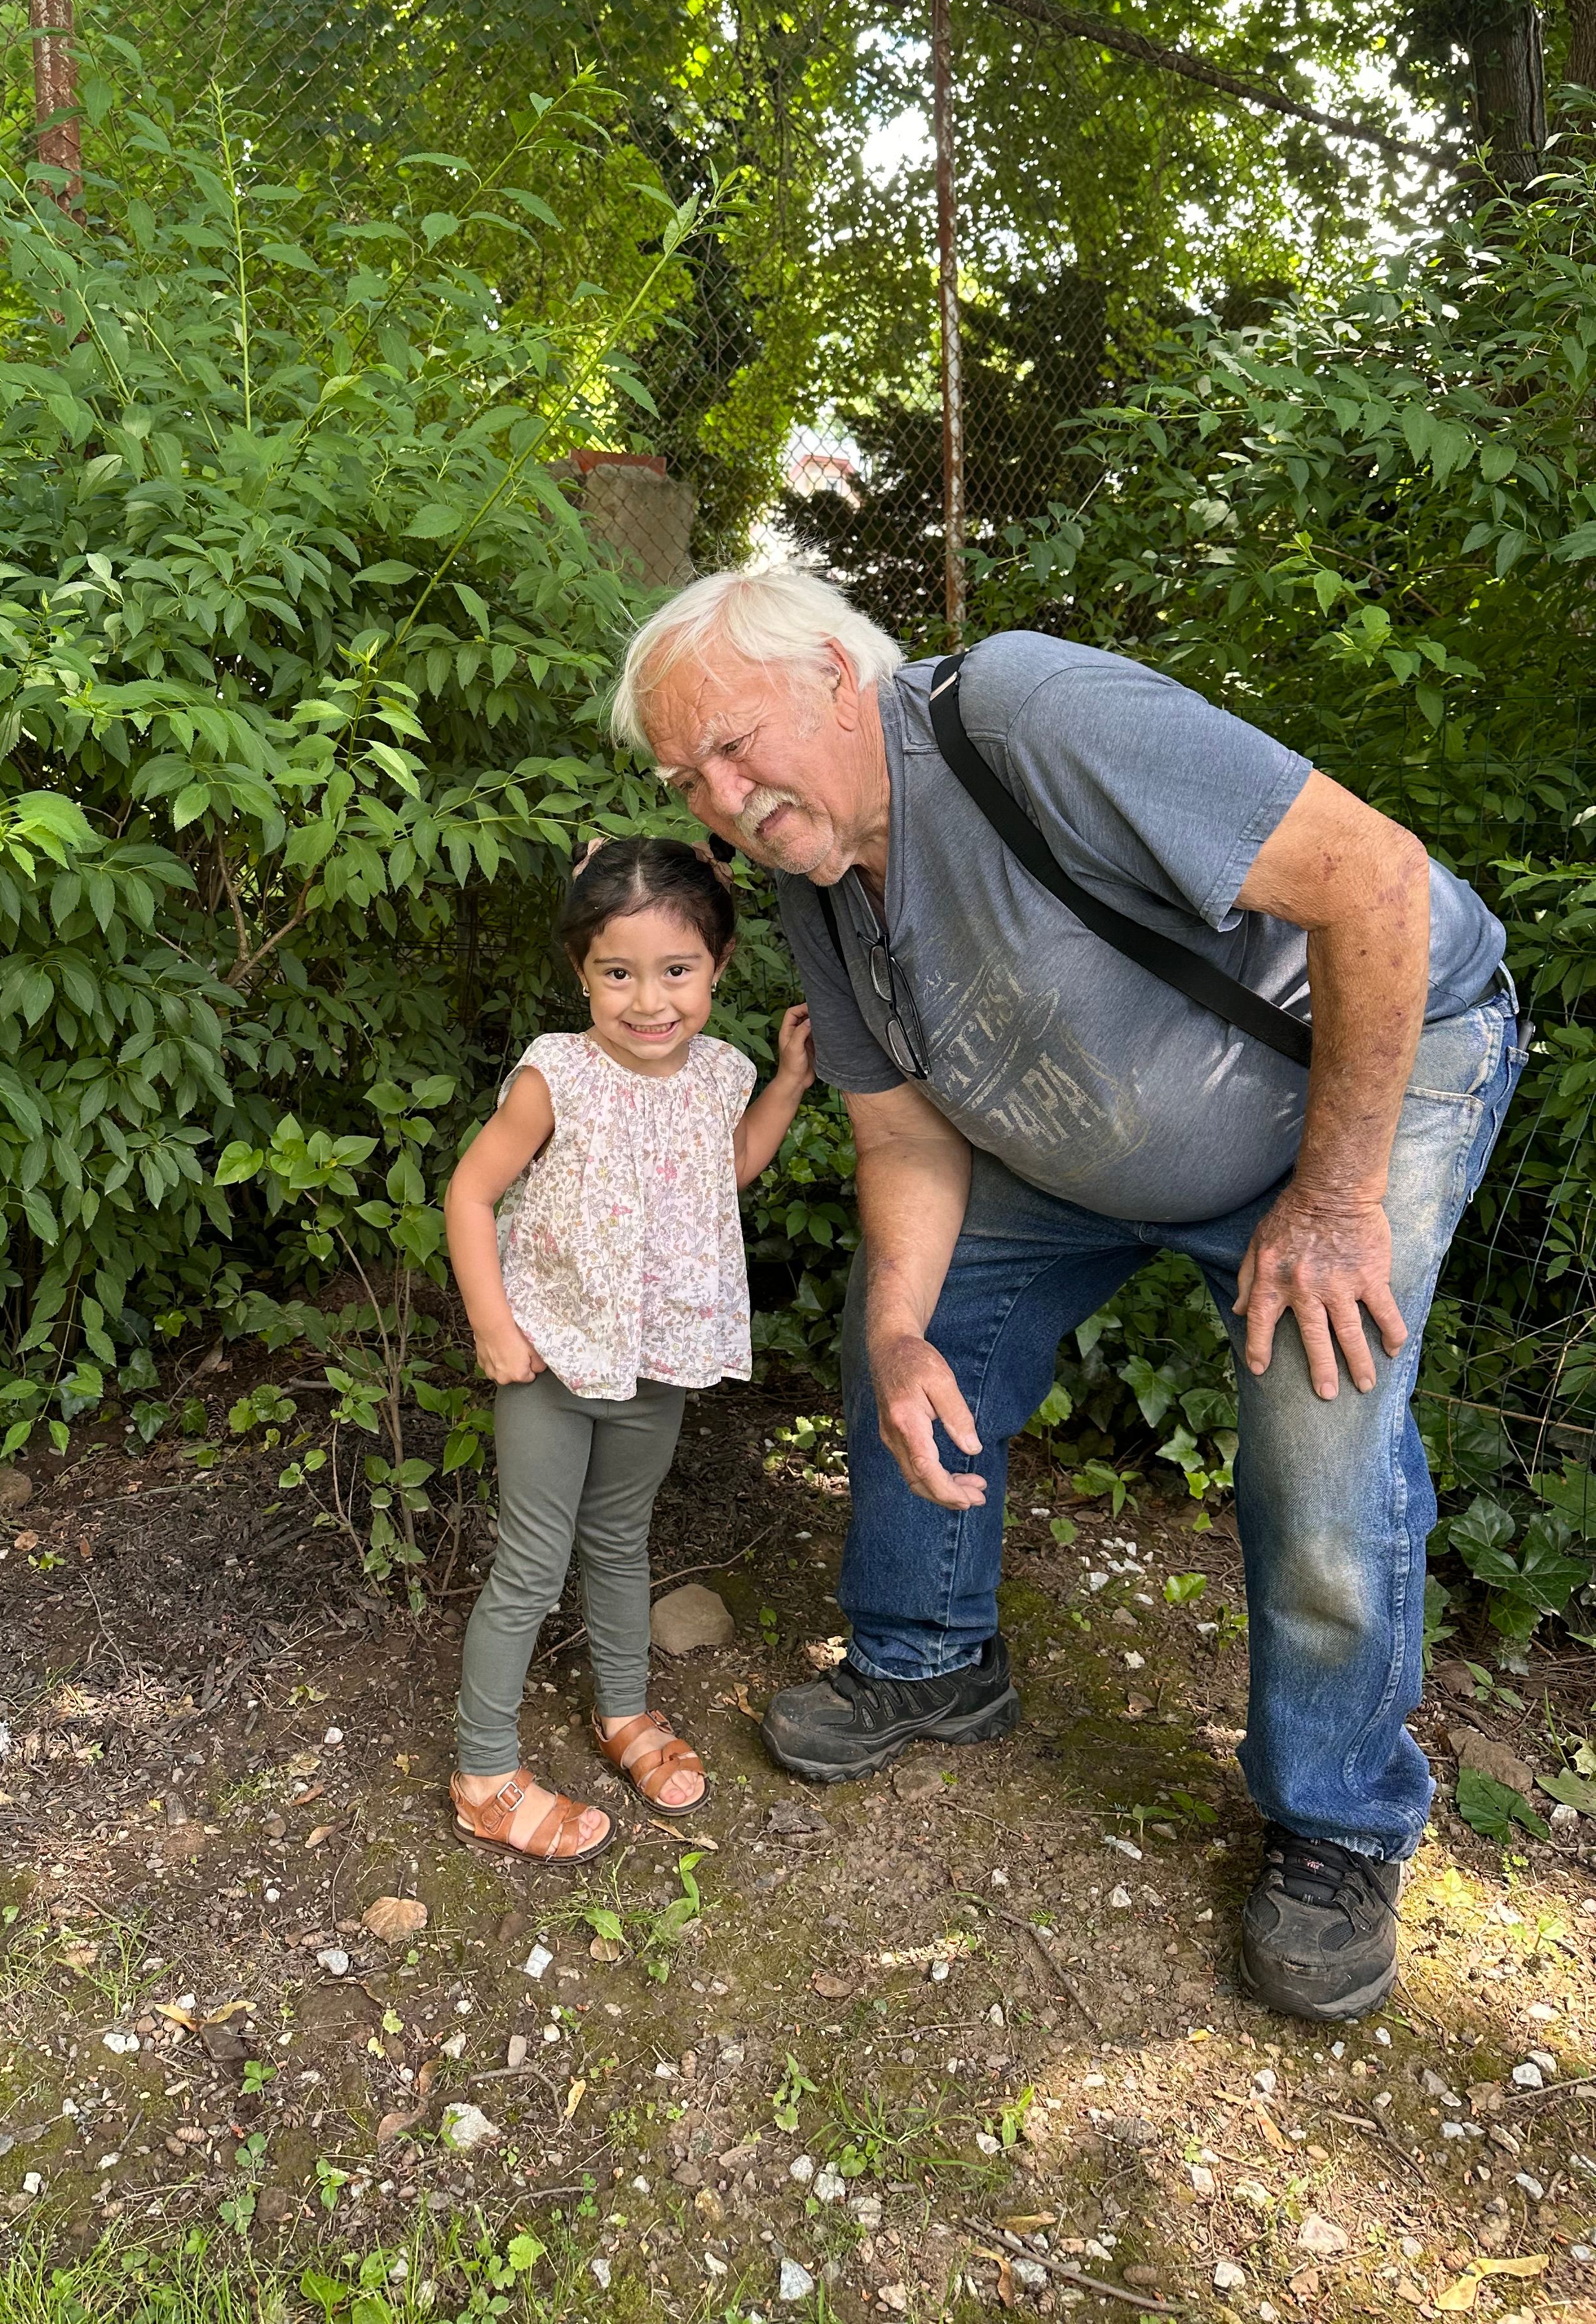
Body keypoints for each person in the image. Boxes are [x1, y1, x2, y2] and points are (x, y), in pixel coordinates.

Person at [611, 566, 1523, 2021]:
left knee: (1320, 1422)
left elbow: (1376, 881)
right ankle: (928, 1659)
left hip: (1355, 1084)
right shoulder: (814, 865)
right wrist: (905, 1331)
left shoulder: (1030, 713)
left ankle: (1340, 1822)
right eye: (686, 778)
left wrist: (1339, 1200)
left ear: (839, 678)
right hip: (1077, 1131)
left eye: (734, 744)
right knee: (908, 1329)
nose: (720, 797)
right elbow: (905, 1129)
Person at [443, 835, 816, 1864]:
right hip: (552, 1366)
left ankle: (622, 1712)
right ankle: (483, 1770)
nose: (649, 1000)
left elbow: (718, 1177)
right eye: (618, 973)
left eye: (676, 970)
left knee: (619, 1540)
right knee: (530, 1561)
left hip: (656, 1360)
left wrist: (784, 1087)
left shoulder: (720, 1074)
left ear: (720, 965)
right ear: (582, 973)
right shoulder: (554, 1075)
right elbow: (471, 1194)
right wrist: (493, 1325)